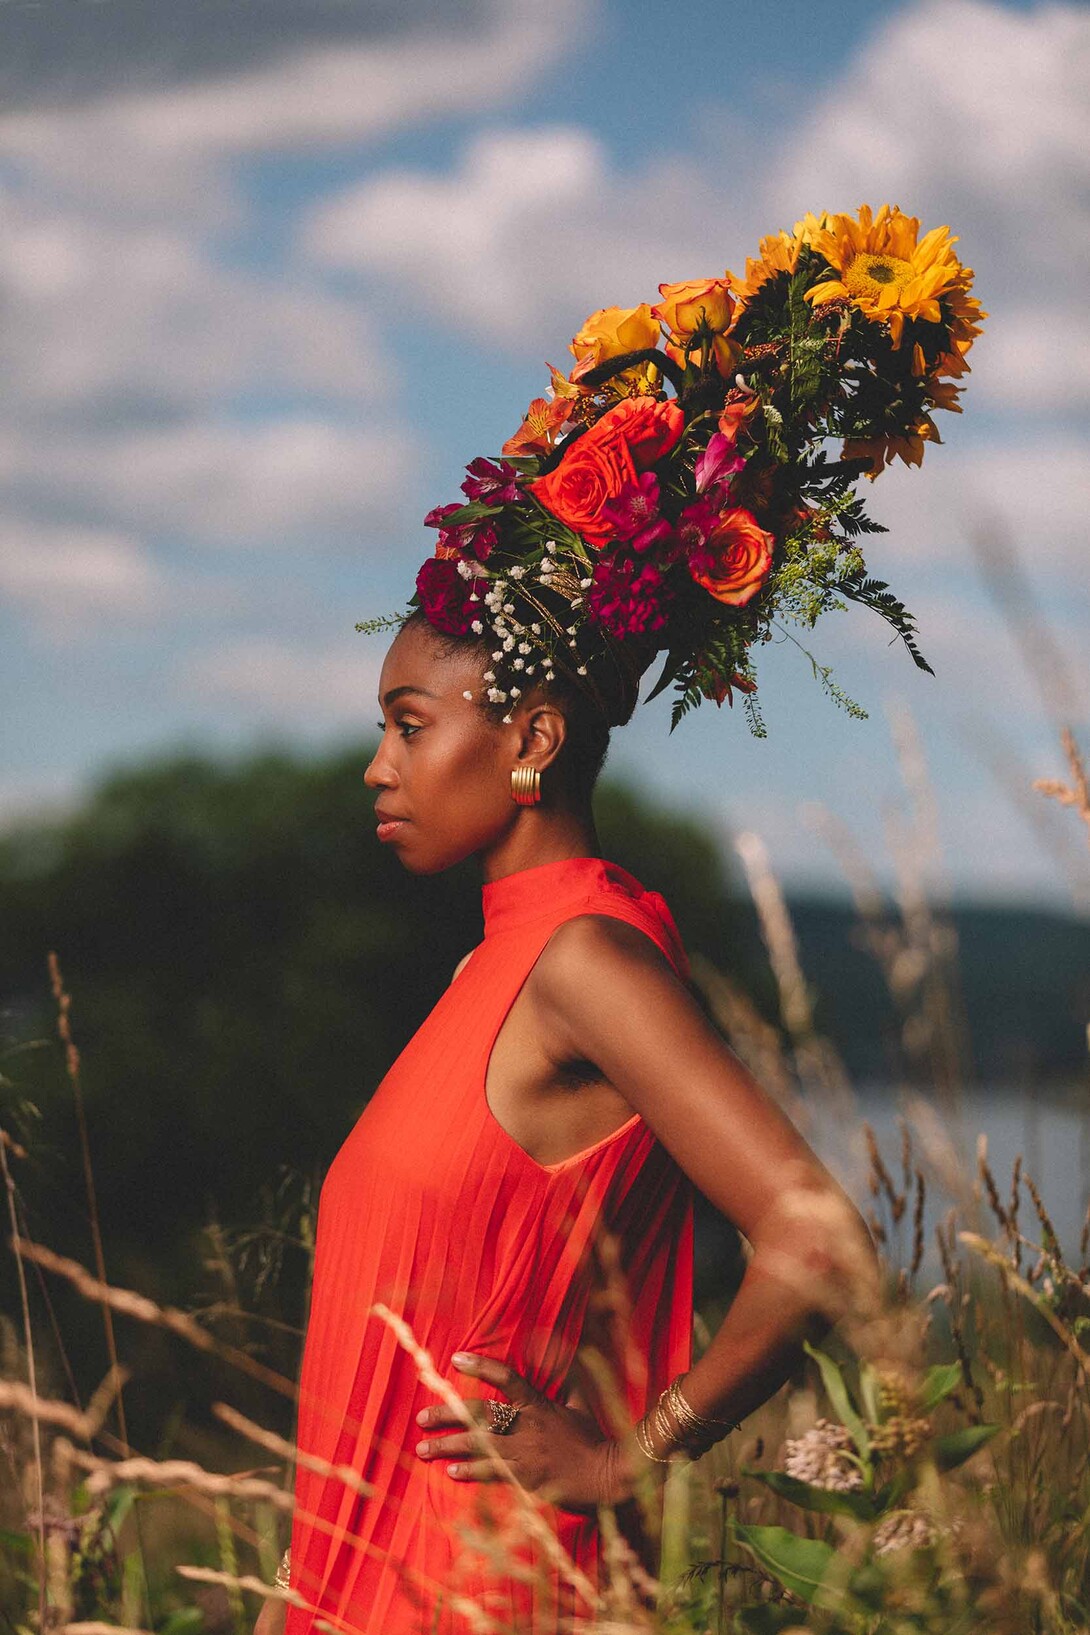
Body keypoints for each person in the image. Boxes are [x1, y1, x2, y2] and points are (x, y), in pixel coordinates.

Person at [255, 605, 877, 1635]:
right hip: (370, 1571)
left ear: (532, 740)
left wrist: (621, 1459)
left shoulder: (585, 963)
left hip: (479, 1578)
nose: (378, 766)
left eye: (408, 725)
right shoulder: (490, 969)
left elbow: (815, 1240)